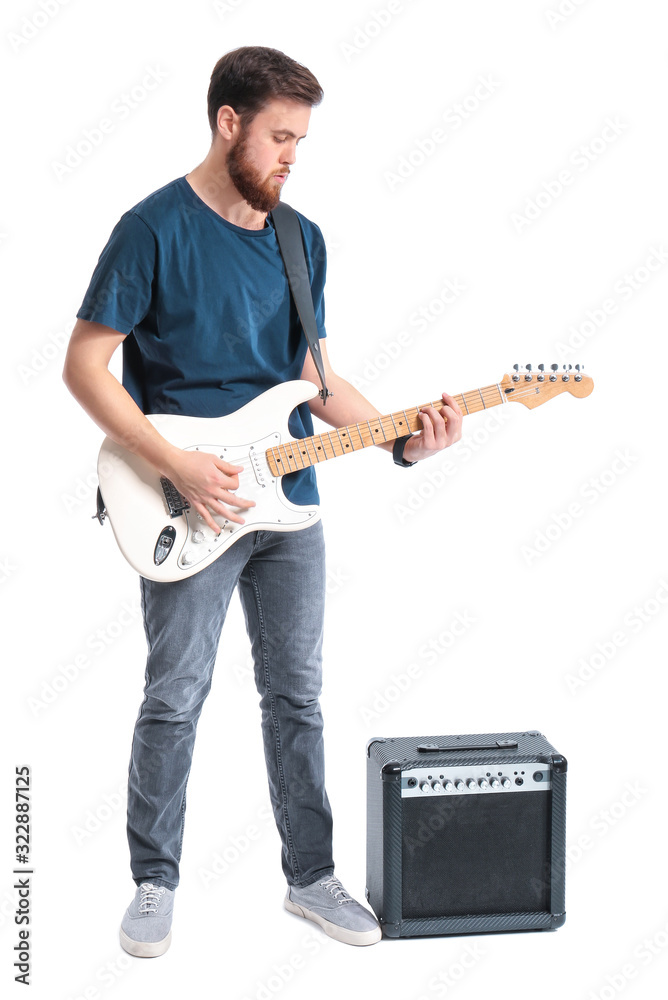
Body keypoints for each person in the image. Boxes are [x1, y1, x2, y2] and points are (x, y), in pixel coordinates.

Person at [63, 45, 463, 958]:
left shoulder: (300, 237)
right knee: (175, 695)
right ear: (227, 122)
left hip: (291, 503)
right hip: (184, 500)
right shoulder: (151, 228)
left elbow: (313, 376)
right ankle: (154, 882)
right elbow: (85, 366)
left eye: (303, 142)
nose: (292, 156)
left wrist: (403, 434)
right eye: (280, 137)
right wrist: (178, 463)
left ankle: (310, 878)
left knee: (298, 697)